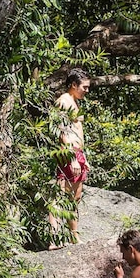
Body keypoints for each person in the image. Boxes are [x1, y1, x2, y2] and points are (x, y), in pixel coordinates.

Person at [49, 67, 91, 249]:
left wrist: (83, 157)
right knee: (60, 196)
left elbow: (76, 131)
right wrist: (71, 157)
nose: (86, 91)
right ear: (73, 85)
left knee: (75, 197)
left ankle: (74, 236)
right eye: (85, 87)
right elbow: (61, 130)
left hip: (77, 153)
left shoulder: (74, 101)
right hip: (68, 153)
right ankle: (53, 239)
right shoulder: (63, 101)